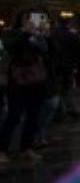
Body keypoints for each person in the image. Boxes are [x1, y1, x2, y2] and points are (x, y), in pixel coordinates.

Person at [0, 11, 51, 164]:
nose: (31, 21)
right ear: (21, 20)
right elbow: (10, 48)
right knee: (14, 115)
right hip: (18, 80)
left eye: (33, 18)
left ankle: (26, 147)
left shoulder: (37, 34)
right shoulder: (11, 33)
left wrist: (43, 35)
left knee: (33, 116)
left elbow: (46, 50)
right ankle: (2, 148)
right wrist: (25, 33)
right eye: (28, 18)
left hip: (36, 80)